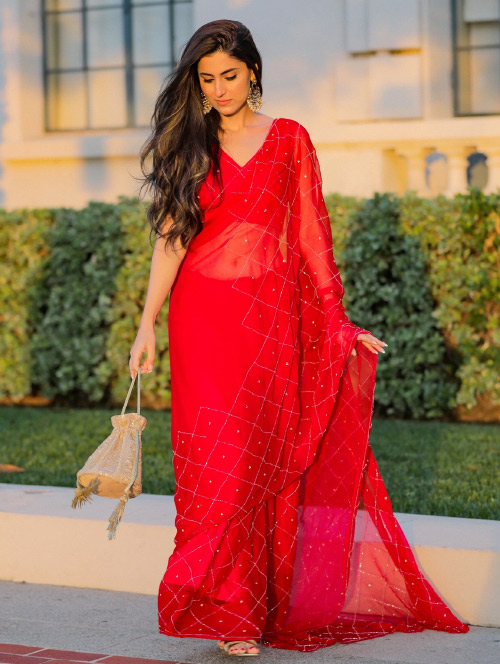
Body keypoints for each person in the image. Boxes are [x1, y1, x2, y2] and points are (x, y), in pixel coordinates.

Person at [129, 19, 469, 657]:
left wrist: (338, 320)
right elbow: (171, 239)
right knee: (220, 467)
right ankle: (229, 611)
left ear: (252, 71)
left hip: (268, 325)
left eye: (230, 75)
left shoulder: (289, 139)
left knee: (267, 454)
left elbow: (312, 234)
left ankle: (264, 604)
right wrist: (147, 323)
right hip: (202, 321)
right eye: (208, 79)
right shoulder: (191, 145)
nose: (220, 88)